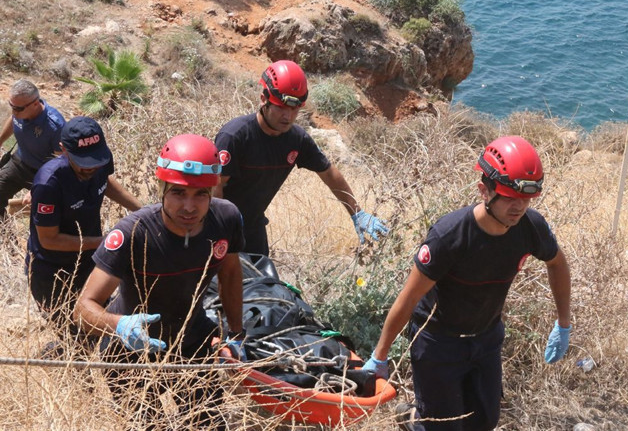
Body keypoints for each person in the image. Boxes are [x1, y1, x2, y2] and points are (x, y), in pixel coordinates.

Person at [362, 136, 573, 431]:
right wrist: (380, 355)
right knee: (444, 427)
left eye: (526, 199)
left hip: (486, 338)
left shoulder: (530, 227)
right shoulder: (449, 236)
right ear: (484, 191)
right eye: (509, 197)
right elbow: (409, 297)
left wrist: (563, 324)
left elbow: (557, 263)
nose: (519, 207)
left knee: (484, 422)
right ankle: (412, 418)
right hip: (439, 343)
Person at [75, 134, 245, 430]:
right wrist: (119, 325)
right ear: (162, 189)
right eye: (178, 193)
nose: (189, 206)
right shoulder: (133, 233)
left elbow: (229, 274)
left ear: (212, 192)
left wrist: (236, 333)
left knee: (208, 424)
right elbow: (83, 308)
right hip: (131, 354)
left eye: (200, 194)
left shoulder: (226, 218)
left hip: (191, 341)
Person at [214, 60, 388, 255]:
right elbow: (215, 186)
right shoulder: (235, 136)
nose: (288, 116)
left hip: (254, 230)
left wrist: (358, 213)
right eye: (281, 107)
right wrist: (223, 229)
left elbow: (329, 173)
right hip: (220, 228)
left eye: (295, 109)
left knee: (262, 276)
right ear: (264, 99)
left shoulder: (297, 139)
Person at [27, 116, 141, 333]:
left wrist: (141, 210)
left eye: (96, 160)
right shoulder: (49, 183)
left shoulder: (100, 158)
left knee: (102, 326)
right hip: (54, 272)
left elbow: (105, 182)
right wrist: (105, 242)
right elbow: (49, 240)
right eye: (83, 162)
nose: (92, 167)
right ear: (63, 149)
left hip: (90, 261)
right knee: (74, 334)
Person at [0, 79, 66, 218]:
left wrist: (38, 186)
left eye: (18, 108)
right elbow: (13, 120)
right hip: (19, 163)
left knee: (44, 214)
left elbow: (60, 161)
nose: (13, 111)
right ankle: (6, 229)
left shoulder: (55, 125)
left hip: (43, 172)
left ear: (35, 103)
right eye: (11, 106)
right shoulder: (19, 111)